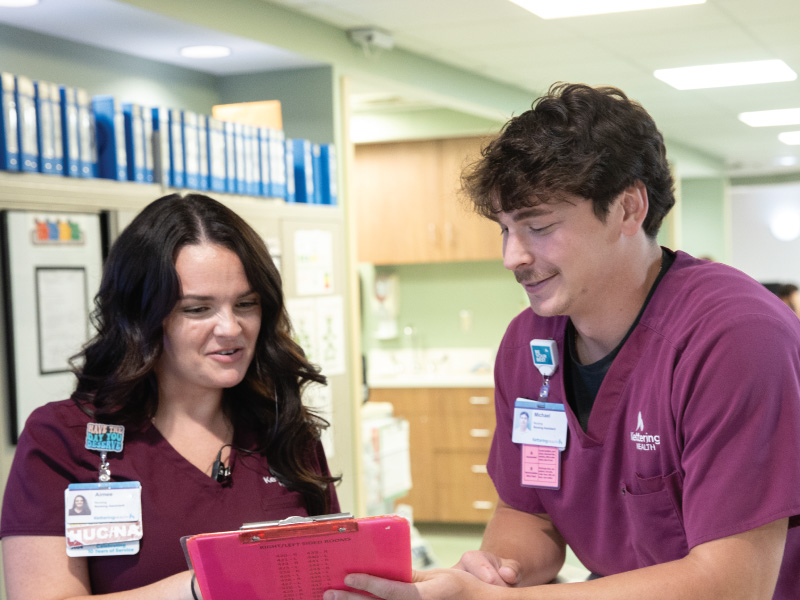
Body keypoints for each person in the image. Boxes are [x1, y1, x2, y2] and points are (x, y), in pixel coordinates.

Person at [324, 83, 800, 600]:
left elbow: (732, 584)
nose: (513, 257)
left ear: (628, 208)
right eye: (505, 229)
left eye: (539, 226)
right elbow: (528, 510)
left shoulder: (735, 339)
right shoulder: (529, 345)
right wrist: (496, 572)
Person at [1, 193, 340, 599]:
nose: (231, 328)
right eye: (198, 309)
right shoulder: (62, 439)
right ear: (142, 316)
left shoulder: (283, 428)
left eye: (246, 304)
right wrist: (199, 587)